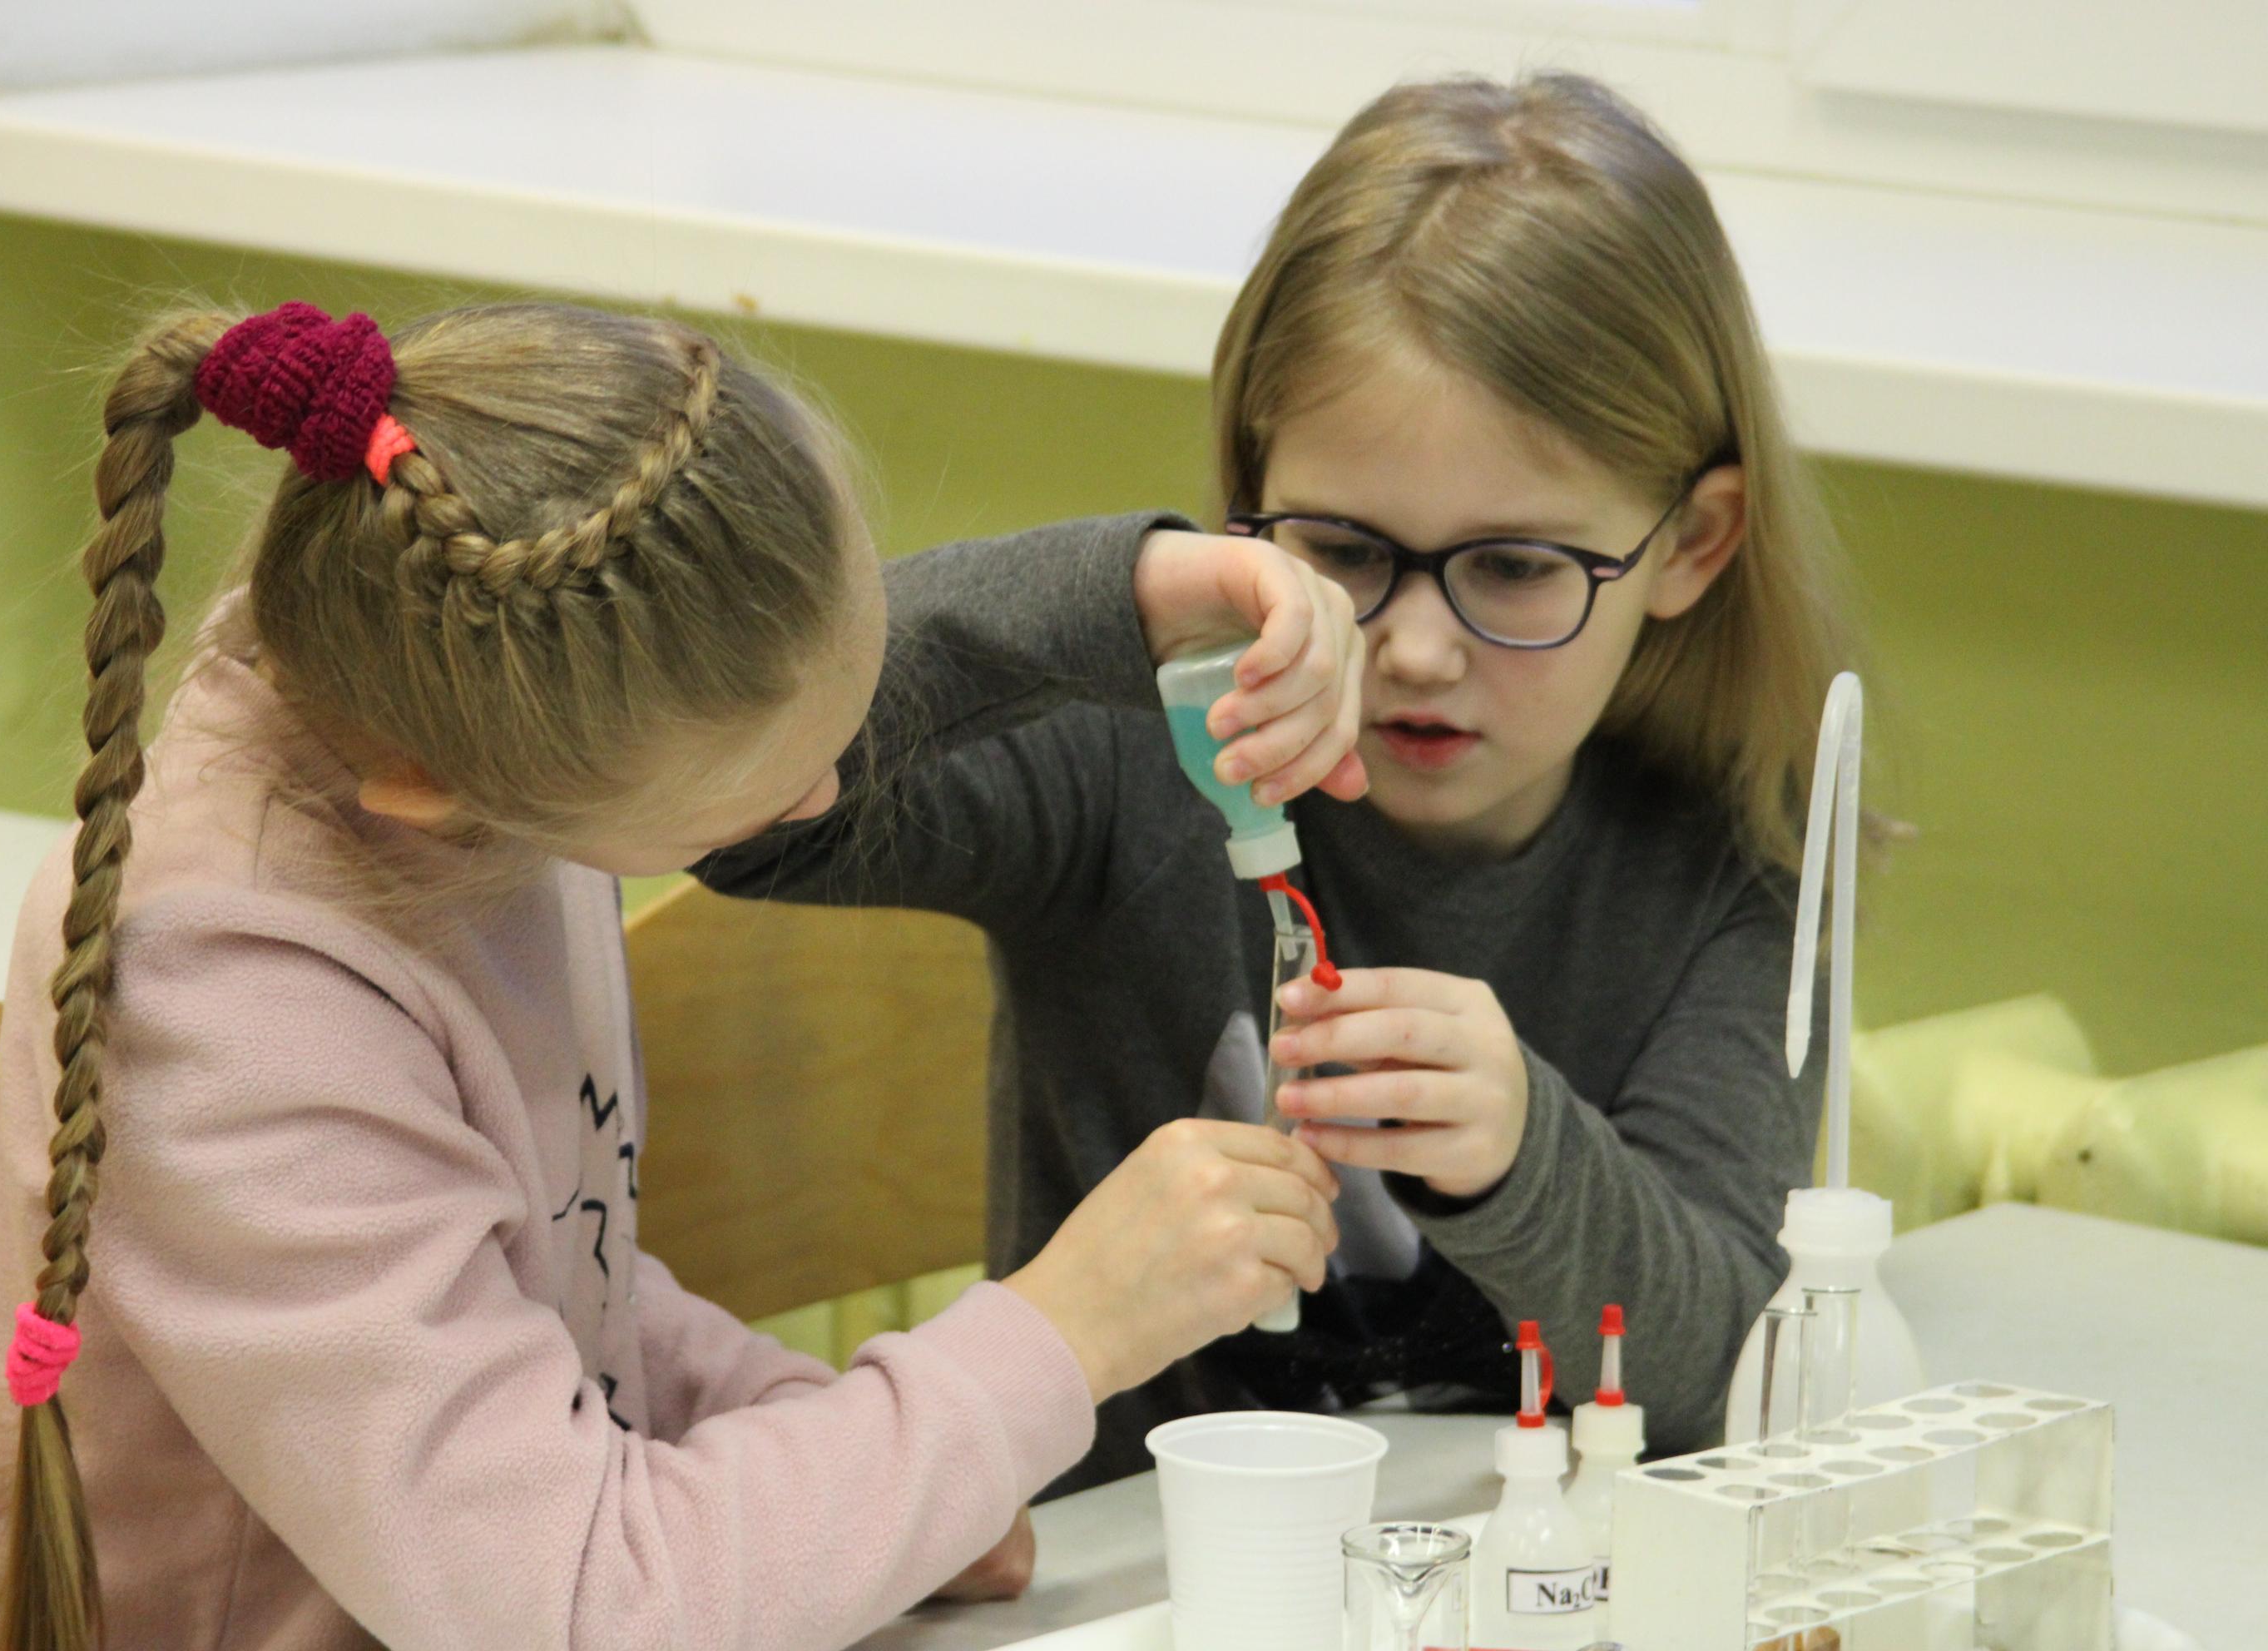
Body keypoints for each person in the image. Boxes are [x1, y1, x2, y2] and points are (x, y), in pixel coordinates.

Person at [0, 300, 1355, 1649]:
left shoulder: (499, 742)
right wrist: (1062, 1335)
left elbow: (555, 1279)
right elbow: (583, 1608)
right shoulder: (229, 991)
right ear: (442, 788)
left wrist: (859, 1465)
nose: (824, 802)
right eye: (747, 808)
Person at [701, 72, 1858, 1492]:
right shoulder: (1133, 757)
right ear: (1251, 499)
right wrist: (1111, 597)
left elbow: (1731, 1374)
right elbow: (731, 793)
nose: (1416, 651)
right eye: (1346, 552)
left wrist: (1525, 1158)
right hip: (1131, 1577)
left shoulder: (1740, 861)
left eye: (1516, 567)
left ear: (1691, 544)